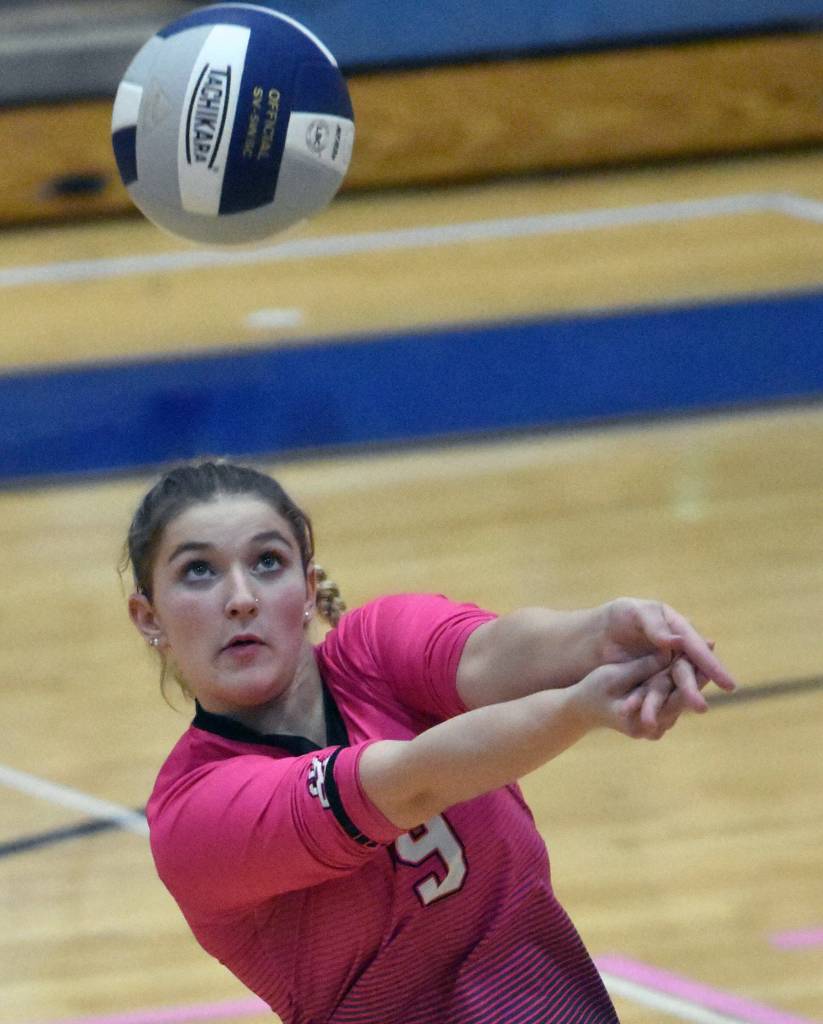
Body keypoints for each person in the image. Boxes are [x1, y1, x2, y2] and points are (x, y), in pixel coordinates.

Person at [125, 459, 737, 1024]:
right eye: (198, 571)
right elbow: (410, 784)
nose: (240, 599)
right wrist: (578, 708)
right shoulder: (193, 815)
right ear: (149, 617)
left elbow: (493, 654)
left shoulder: (375, 648)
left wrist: (601, 631)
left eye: (267, 562)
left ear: (309, 588)